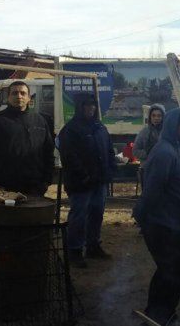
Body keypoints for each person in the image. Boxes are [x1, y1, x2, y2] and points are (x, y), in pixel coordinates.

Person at [133, 108, 180, 326]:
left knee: (169, 272)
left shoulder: (176, 149)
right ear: (173, 126)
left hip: (173, 224)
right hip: (164, 225)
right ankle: (161, 317)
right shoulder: (165, 152)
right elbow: (152, 192)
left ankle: (157, 315)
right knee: (171, 273)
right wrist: (144, 219)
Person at [58, 94, 117, 268]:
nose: (90, 108)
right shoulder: (70, 130)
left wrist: (111, 169)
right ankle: (75, 251)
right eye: (86, 105)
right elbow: (69, 157)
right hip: (81, 184)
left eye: (93, 105)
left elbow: (109, 150)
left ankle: (93, 246)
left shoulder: (100, 127)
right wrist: (84, 176)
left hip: (99, 182)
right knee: (79, 216)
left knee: (97, 214)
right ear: (79, 107)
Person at [0, 80, 54, 196]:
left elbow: (48, 153)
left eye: (23, 93)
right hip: (3, 189)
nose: (19, 96)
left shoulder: (41, 121)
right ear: (8, 98)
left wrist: (46, 181)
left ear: (29, 98)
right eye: (14, 93)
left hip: (34, 188)